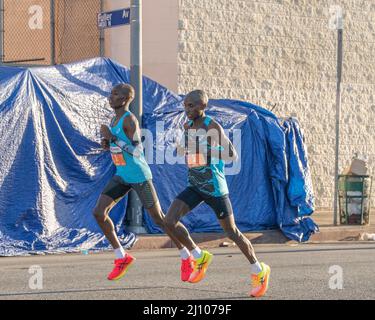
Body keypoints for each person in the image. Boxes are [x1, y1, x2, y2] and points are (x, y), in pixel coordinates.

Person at [165, 90, 271, 297]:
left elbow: (231, 155)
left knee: (231, 232)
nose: (187, 110)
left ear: (202, 106)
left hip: (214, 188)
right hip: (195, 186)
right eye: (185, 106)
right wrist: (182, 148)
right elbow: (186, 150)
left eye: (191, 106)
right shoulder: (187, 126)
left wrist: (204, 151)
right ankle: (199, 255)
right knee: (169, 221)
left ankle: (259, 270)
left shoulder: (212, 126)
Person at [94, 83, 194, 281]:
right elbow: (119, 149)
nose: (110, 96)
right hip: (122, 175)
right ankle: (121, 257)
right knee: (98, 212)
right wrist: (108, 144)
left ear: (124, 99)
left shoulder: (129, 119)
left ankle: (187, 255)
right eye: (111, 93)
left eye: (115, 94)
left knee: (161, 220)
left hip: (139, 176)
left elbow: (137, 150)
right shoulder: (114, 119)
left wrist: (112, 138)